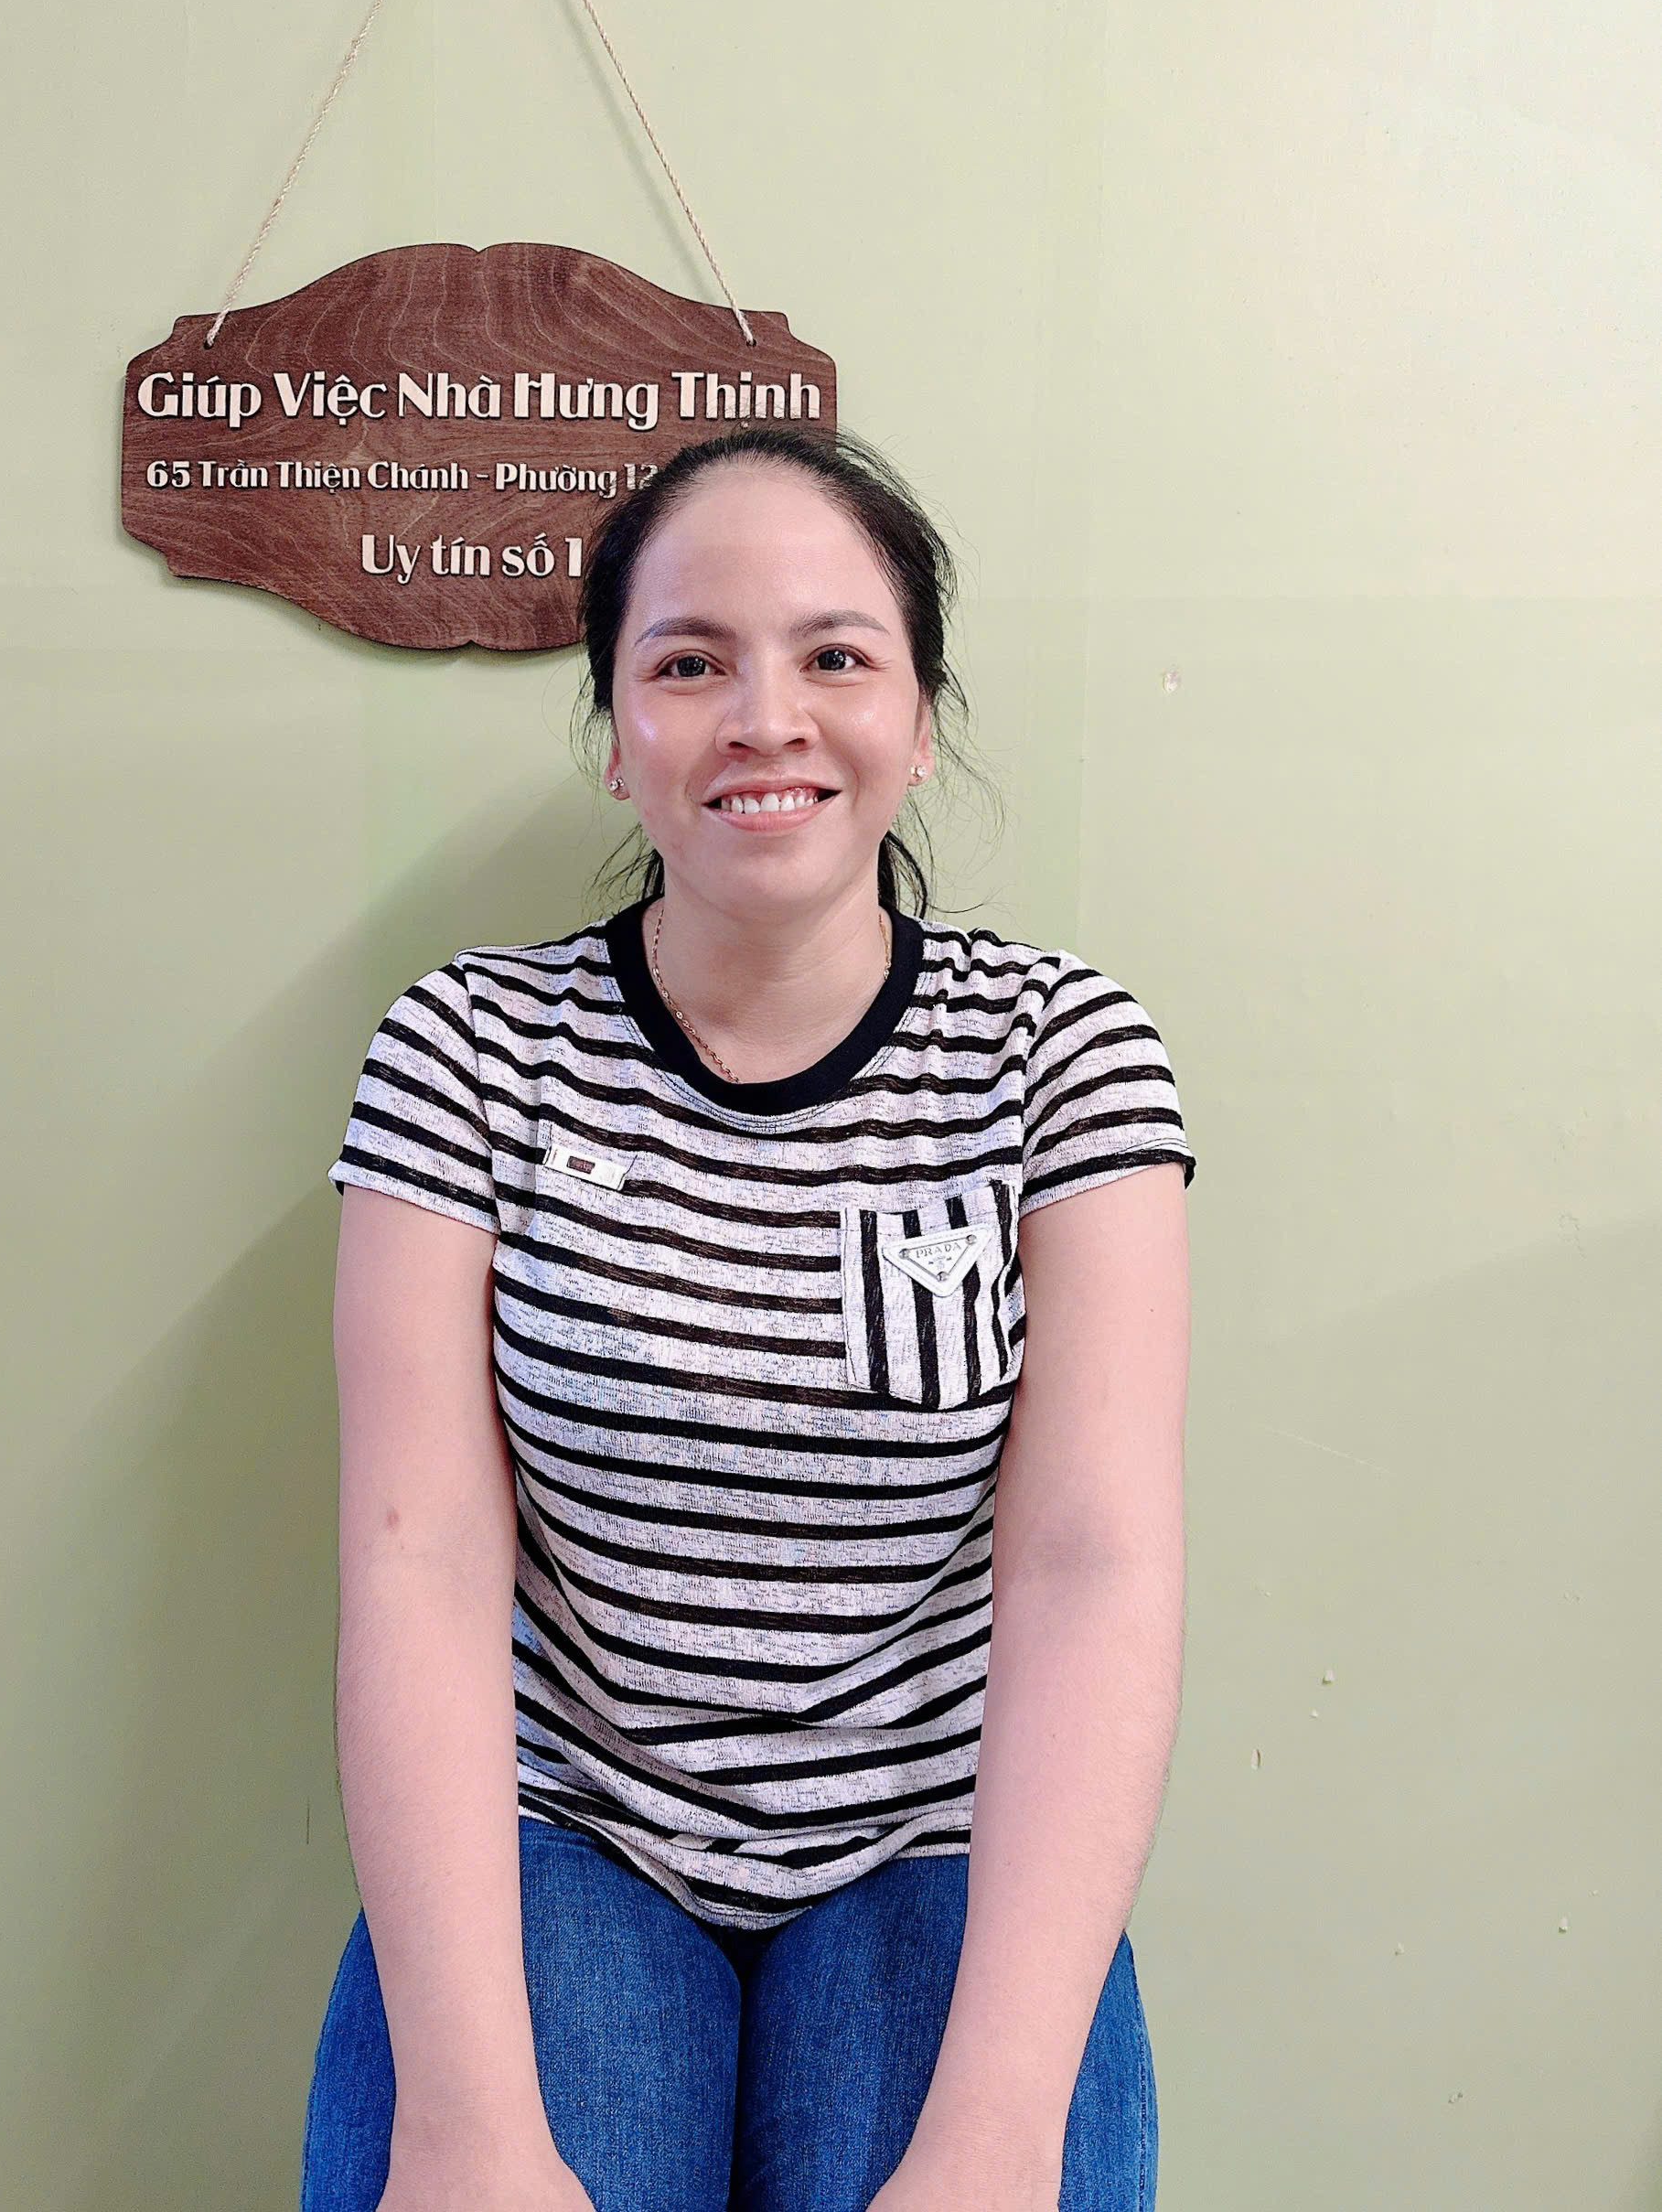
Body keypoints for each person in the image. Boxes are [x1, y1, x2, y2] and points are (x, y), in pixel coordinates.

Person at [300, 426, 1195, 2212]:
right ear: (615, 731)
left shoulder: (1061, 1053)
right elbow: (420, 1558)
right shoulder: (466, 1048)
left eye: (835, 655)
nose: (765, 717)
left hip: (934, 1832)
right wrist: (469, 2123)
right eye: (690, 662)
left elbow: (1090, 1566)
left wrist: (995, 2136)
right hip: (564, 1825)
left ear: (919, 720)